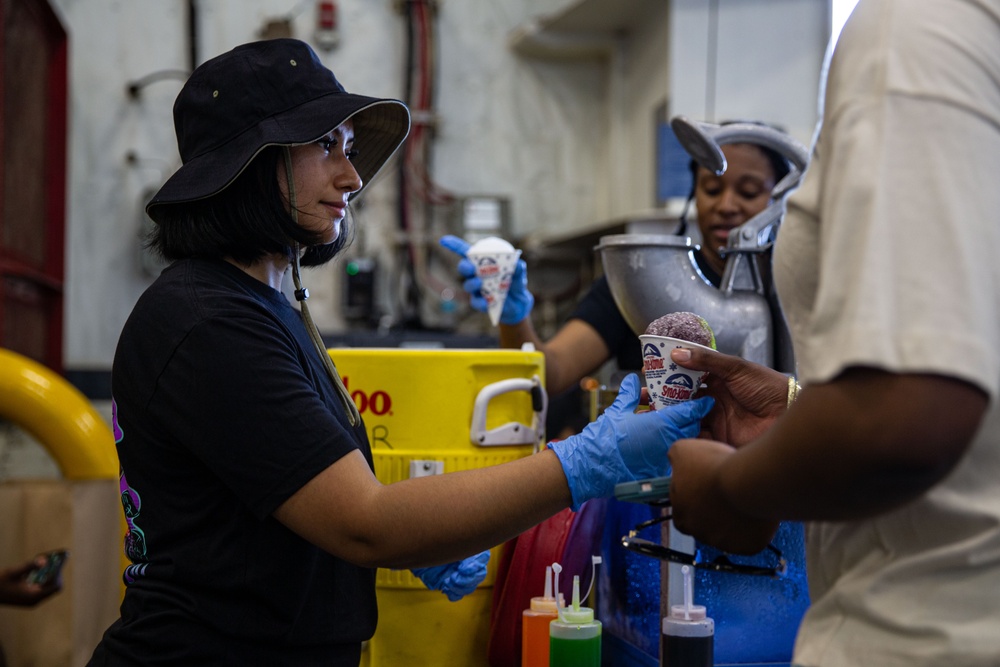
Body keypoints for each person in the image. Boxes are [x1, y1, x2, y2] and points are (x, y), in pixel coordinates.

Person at [86, 38, 714, 666]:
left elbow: (307, 493)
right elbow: (365, 520)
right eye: (325, 145)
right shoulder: (208, 323)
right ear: (252, 161)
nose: (352, 177)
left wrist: (425, 537)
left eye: (350, 149)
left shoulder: (262, 307)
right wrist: (583, 464)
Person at [665, 0, 1000, 664]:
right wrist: (798, 408)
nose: (727, 202)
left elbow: (903, 419)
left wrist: (732, 490)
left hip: (924, 631)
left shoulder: (916, 29)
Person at [440, 133, 791, 396]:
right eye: (712, 189)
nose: (727, 205)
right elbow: (552, 372)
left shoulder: (795, 289)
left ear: (780, 199)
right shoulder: (644, 279)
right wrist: (513, 318)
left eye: (748, 192)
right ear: (693, 195)